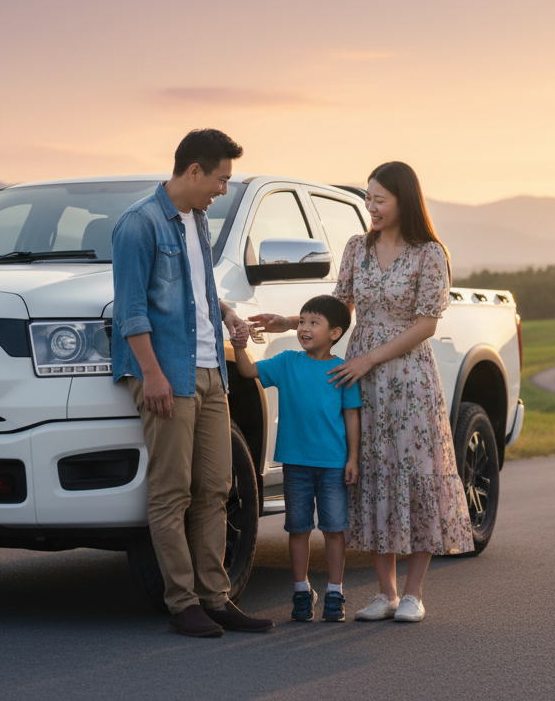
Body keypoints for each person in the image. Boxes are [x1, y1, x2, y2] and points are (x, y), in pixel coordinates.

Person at [249, 161, 473, 623]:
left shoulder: (430, 252)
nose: (370, 207)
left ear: (403, 200)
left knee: (413, 472)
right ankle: (385, 592)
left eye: (379, 199)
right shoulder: (358, 247)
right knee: (371, 473)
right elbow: (339, 308)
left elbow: (427, 323)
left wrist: (371, 358)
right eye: (368, 198)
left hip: (406, 376)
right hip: (357, 373)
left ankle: (414, 593)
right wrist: (290, 321)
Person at [110, 128, 275, 638]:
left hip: (211, 371)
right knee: (171, 491)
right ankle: (182, 603)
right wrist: (152, 374)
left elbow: (198, 288)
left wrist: (227, 315)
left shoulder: (197, 220)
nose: (223, 190)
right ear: (194, 171)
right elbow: (130, 311)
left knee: (216, 487)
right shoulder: (138, 225)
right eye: (221, 180)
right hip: (168, 374)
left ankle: (215, 597)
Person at [230, 295, 362, 622]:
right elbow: (246, 370)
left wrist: (353, 459)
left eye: (313, 323)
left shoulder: (342, 370)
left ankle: (335, 592)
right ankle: (301, 591)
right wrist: (240, 343)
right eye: (301, 321)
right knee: (298, 529)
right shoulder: (287, 362)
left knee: (334, 530)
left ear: (335, 332)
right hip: (296, 464)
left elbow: (352, 417)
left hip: (333, 465)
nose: (303, 328)